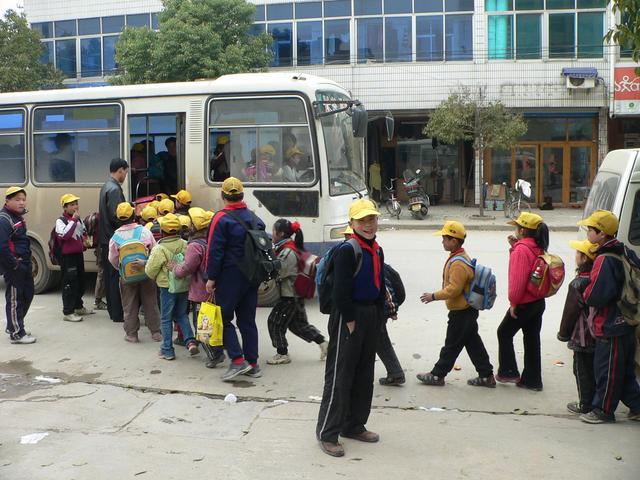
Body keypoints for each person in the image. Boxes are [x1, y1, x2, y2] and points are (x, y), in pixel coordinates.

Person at [316, 198, 385, 458]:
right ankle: (327, 433)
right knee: (340, 377)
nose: (369, 224)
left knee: (364, 374)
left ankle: (354, 425)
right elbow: (340, 290)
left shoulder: (376, 249)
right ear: (352, 224)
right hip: (349, 317)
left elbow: (379, 285)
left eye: (372, 219)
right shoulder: (348, 249)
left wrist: (379, 316)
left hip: (369, 316)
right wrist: (350, 318)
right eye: (363, 220)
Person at [577, 210, 640, 424]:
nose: (587, 233)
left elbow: (597, 296)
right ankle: (637, 406)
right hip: (628, 319)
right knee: (624, 370)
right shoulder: (624, 250)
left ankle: (603, 410)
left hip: (611, 323)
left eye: (591, 229)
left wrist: (584, 289)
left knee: (608, 370)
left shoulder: (604, 259)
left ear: (602, 234)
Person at [417, 221, 495, 388]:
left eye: (445, 238)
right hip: (466, 310)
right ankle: (486, 375)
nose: (442, 241)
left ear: (454, 241)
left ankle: (438, 375)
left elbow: (454, 290)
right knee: (473, 344)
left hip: (462, 311)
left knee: (451, 345)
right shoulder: (459, 256)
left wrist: (433, 296)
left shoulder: (458, 263)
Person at [205, 177, 265, 381]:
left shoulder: (220, 219)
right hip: (252, 275)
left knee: (223, 318)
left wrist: (211, 277)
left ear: (223, 196)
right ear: (242, 195)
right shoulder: (254, 217)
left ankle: (237, 360)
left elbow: (214, 251)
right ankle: (253, 364)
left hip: (230, 276)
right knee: (247, 320)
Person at [496, 212, 549, 391]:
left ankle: (508, 371)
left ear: (523, 230)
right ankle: (533, 380)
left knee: (503, 332)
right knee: (532, 339)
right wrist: (514, 247)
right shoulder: (538, 246)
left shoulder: (522, 250)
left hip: (524, 303)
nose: (515, 229)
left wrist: (513, 303)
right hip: (538, 302)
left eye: (517, 227)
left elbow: (518, 282)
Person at [266, 219, 328, 365]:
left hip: (289, 295)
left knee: (274, 322)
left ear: (281, 233)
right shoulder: (288, 247)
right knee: (298, 325)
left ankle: (282, 353)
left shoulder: (287, 252)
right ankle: (323, 343)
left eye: (274, 231)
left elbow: (279, 271)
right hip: (295, 294)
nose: (272, 233)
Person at [172, 207, 225, 368]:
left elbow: (187, 268)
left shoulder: (194, 246)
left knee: (202, 324)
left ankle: (214, 354)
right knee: (213, 321)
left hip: (201, 291)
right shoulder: (211, 240)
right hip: (215, 288)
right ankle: (219, 348)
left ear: (194, 226)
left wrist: (175, 269)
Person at [145, 213, 199, 361]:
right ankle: (190, 341)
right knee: (181, 314)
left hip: (166, 288)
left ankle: (167, 349)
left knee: (166, 318)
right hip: (184, 286)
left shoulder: (159, 249)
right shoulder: (185, 244)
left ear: (162, 230)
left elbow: (150, 271)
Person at [109, 202, 161, 344]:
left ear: (118, 219)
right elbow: (154, 251)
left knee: (129, 305)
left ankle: (132, 334)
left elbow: (112, 259)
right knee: (151, 302)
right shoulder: (144, 231)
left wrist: (122, 270)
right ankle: (156, 332)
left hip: (127, 276)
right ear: (133, 215)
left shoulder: (115, 238)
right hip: (146, 273)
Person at [557, 239, 598, 415]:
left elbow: (570, 312)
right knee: (594, 369)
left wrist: (563, 334)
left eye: (578, 253)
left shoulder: (578, 283)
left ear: (583, 258)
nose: (576, 256)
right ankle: (595, 401)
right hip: (597, 332)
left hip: (582, 335)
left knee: (580, 370)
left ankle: (585, 403)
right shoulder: (597, 278)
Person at [0, 187, 35, 344]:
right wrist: (14, 264)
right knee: (15, 299)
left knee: (28, 294)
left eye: (23, 199)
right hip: (15, 266)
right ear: (7, 201)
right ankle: (16, 333)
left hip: (25, 263)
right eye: (17, 199)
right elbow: (2, 246)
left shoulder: (18, 217)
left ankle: (15, 325)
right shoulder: (4, 219)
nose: (21, 202)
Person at [98, 158, 128, 323]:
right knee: (115, 277)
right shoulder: (115, 189)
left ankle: (112, 311)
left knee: (110, 277)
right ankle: (117, 313)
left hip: (105, 237)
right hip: (113, 238)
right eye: (126, 171)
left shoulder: (105, 186)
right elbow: (117, 217)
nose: (126, 175)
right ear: (120, 170)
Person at [56, 193, 92, 323]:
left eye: (76, 203)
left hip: (78, 254)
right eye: (71, 205)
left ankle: (78, 306)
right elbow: (64, 235)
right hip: (68, 257)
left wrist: (86, 239)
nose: (75, 206)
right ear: (65, 207)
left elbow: (82, 231)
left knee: (81, 281)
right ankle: (68, 311)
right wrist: (73, 220)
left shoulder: (77, 219)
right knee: (69, 284)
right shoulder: (61, 221)